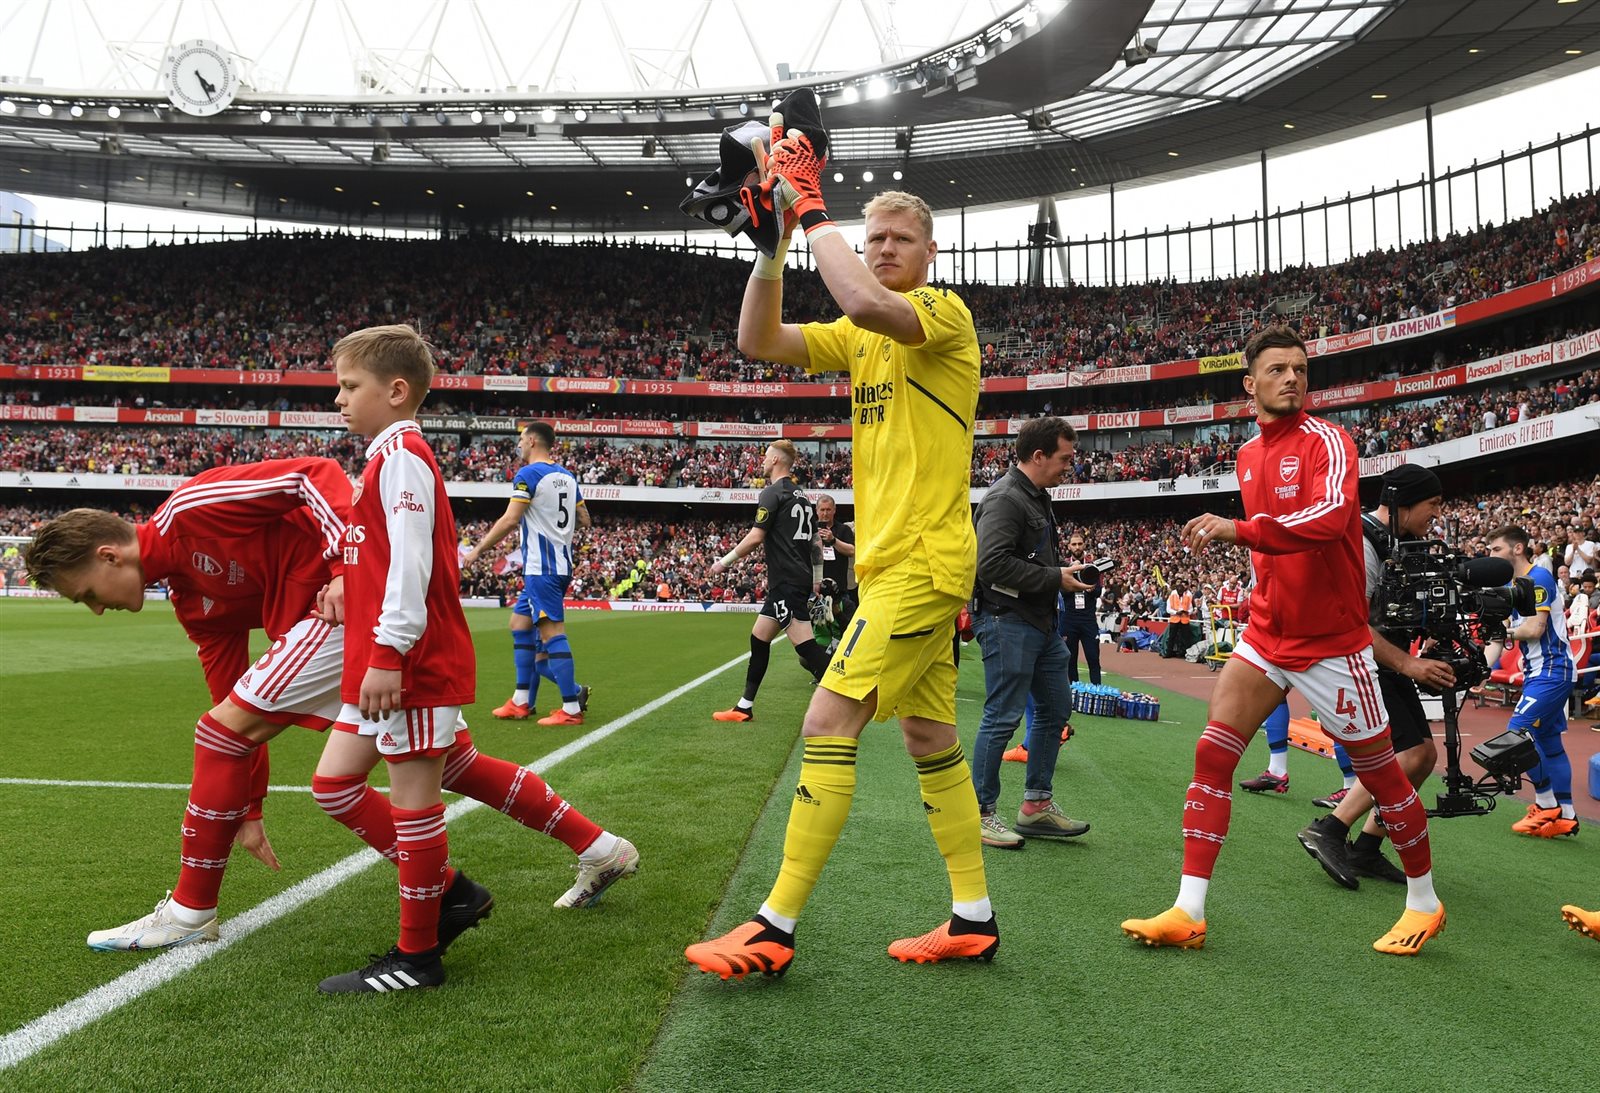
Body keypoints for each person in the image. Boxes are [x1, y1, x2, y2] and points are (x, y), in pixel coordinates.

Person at [24, 458, 636, 960]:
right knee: (448, 762)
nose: (97, 609)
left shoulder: (190, 509)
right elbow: (233, 700)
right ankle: (599, 849)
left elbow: (309, 474)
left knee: (226, 740)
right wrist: (248, 807)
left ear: (108, 555)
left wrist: (347, 566)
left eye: (87, 595)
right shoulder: (190, 599)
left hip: (362, 610)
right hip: (347, 631)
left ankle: (190, 911)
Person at [684, 159, 997, 974]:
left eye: (901, 238)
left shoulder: (942, 312)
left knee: (826, 721)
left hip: (922, 562)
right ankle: (973, 916)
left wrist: (813, 208)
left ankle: (774, 926)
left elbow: (862, 300)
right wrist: (772, 248)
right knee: (929, 735)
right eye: (875, 238)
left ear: (931, 251)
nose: (884, 247)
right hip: (895, 567)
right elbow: (757, 341)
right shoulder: (860, 338)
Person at [1121, 325, 1444, 956]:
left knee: (1383, 776)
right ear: (1251, 384)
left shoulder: (1330, 441)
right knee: (1212, 755)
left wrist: (1240, 529)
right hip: (1267, 636)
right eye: (1277, 370)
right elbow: (1274, 549)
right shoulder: (1247, 455)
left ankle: (1425, 902)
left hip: (1333, 645)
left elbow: (1327, 520)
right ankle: (1188, 910)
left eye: (1300, 368)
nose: (1292, 378)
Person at [1297, 464, 1456, 887]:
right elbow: (1352, 621)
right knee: (1407, 755)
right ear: (1403, 503)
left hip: (1385, 659)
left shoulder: (1399, 542)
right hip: (1357, 661)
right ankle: (1330, 829)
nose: (1436, 514)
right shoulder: (1362, 542)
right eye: (1433, 503)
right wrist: (1409, 663)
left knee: (1423, 756)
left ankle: (1366, 848)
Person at [968, 417, 1093, 850]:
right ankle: (979, 814)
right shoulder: (1006, 498)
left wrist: (1061, 574)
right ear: (1038, 456)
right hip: (1007, 620)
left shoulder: (1034, 495)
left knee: (1055, 709)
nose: (1070, 466)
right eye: (1065, 458)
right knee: (1003, 716)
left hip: (1038, 623)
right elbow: (990, 565)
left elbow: (1028, 561)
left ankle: (1036, 806)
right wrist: (1055, 577)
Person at [461, 421, 593, 726]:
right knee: (519, 625)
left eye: (521, 440)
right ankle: (522, 701)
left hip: (542, 568)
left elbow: (510, 520)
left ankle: (571, 708)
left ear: (533, 441)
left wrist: (478, 550)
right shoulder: (567, 476)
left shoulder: (528, 474)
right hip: (557, 564)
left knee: (552, 634)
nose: (519, 445)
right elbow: (585, 519)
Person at [709, 440, 831, 722]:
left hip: (787, 581)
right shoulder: (803, 497)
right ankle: (744, 707)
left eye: (766, 456)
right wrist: (816, 578)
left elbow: (756, 537)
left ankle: (854, 689)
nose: (763, 461)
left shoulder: (772, 493)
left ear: (776, 460)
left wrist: (724, 562)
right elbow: (815, 542)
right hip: (793, 581)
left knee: (806, 647)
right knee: (759, 637)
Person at [1484, 524, 1579, 838]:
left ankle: (1546, 805)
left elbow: (1535, 629)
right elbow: (1498, 638)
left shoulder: (1538, 578)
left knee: (1517, 734)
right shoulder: (1508, 585)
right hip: (1538, 673)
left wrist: (1503, 632)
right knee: (1550, 744)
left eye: (1496, 549)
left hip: (1553, 670)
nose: (1491, 555)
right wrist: (1481, 670)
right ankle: (1567, 816)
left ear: (1517, 548)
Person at [1059, 531, 1103, 687]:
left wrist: (1091, 589)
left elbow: (1098, 591)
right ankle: (1073, 693)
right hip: (1069, 619)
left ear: (1084, 545)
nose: (1077, 547)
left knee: (1093, 658)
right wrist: (1079, 586)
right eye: (1074, 544)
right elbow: (1060, 591)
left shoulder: (1093, 567)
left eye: (1079, 544)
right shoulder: (1064, 567)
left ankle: (1097, 691)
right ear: (1069, 546)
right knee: (1070, 660)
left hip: (1088, 619)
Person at [814, 493, 857, 640]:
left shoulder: (843, 530)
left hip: (840, 591)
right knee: (817, 633)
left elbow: (851, 551)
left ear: (834, 510)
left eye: (828, 509)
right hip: (815, 591)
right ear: (817, 511)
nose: (825, 513)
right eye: (822, 510)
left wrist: (833, 540)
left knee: (844, 631)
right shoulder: (810, 529)